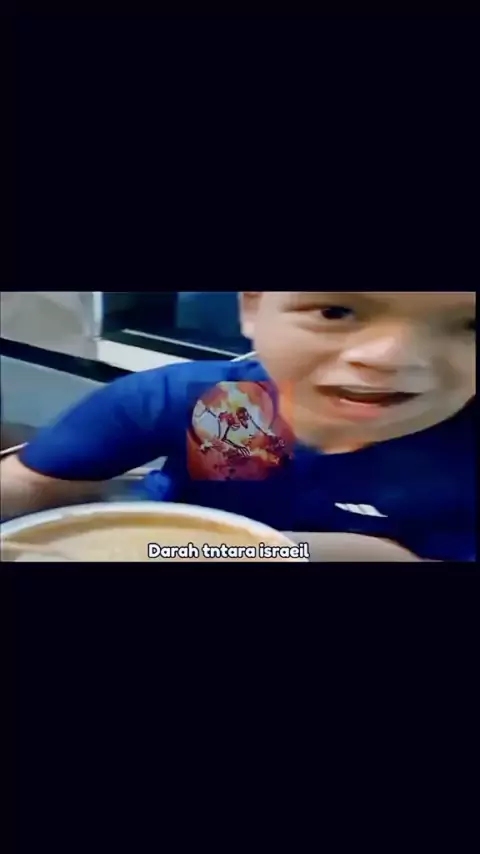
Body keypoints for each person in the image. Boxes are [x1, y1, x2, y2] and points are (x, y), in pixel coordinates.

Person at [1, 292, 475, 562]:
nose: (390, 359)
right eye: (335, 311)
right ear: (251, 307)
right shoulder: (216, 404)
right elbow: (35, 481)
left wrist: (245, 552)